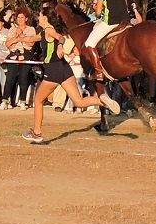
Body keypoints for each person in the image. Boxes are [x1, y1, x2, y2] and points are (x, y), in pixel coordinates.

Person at [23, 11, 110, 144]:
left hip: (53, 70)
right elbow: (31, 39)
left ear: (45, 18)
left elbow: (61, 38)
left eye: (40, 15)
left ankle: (37, 132)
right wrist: (16, 39)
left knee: (38, 100)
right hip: (64, 68)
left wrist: (59, 46)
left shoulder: (49, 30)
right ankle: (103, 100)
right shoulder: (44, 32)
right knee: (79, 102)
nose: (38, 17)